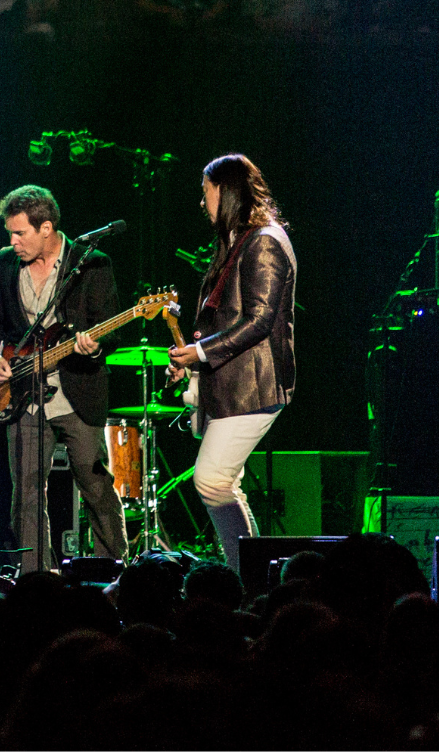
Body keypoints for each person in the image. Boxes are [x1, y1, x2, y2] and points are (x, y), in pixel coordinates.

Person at [0, 185, 125, 571]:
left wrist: (94, 346)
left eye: (20, 233)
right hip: (23, 394)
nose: (12, 241)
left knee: (94, 485)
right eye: (9, 233)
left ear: (46, 228)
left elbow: (112, 328)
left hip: (78, 390)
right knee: (25, 494)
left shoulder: (92, 262)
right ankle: (35, 578)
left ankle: (112, 571)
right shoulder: (6, 262)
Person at [166, 154, 295, 573]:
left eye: (206, 193)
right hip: (234, 383)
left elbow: (259, 320)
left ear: (226, 191)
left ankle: (249, 577)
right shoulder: (240, 240)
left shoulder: (264, 241)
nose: (202, 203)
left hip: (256, 385)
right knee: (222, 483)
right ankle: (250, 575)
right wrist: (194, 361)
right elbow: (222, 318)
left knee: (212, 480)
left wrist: (202, 353)